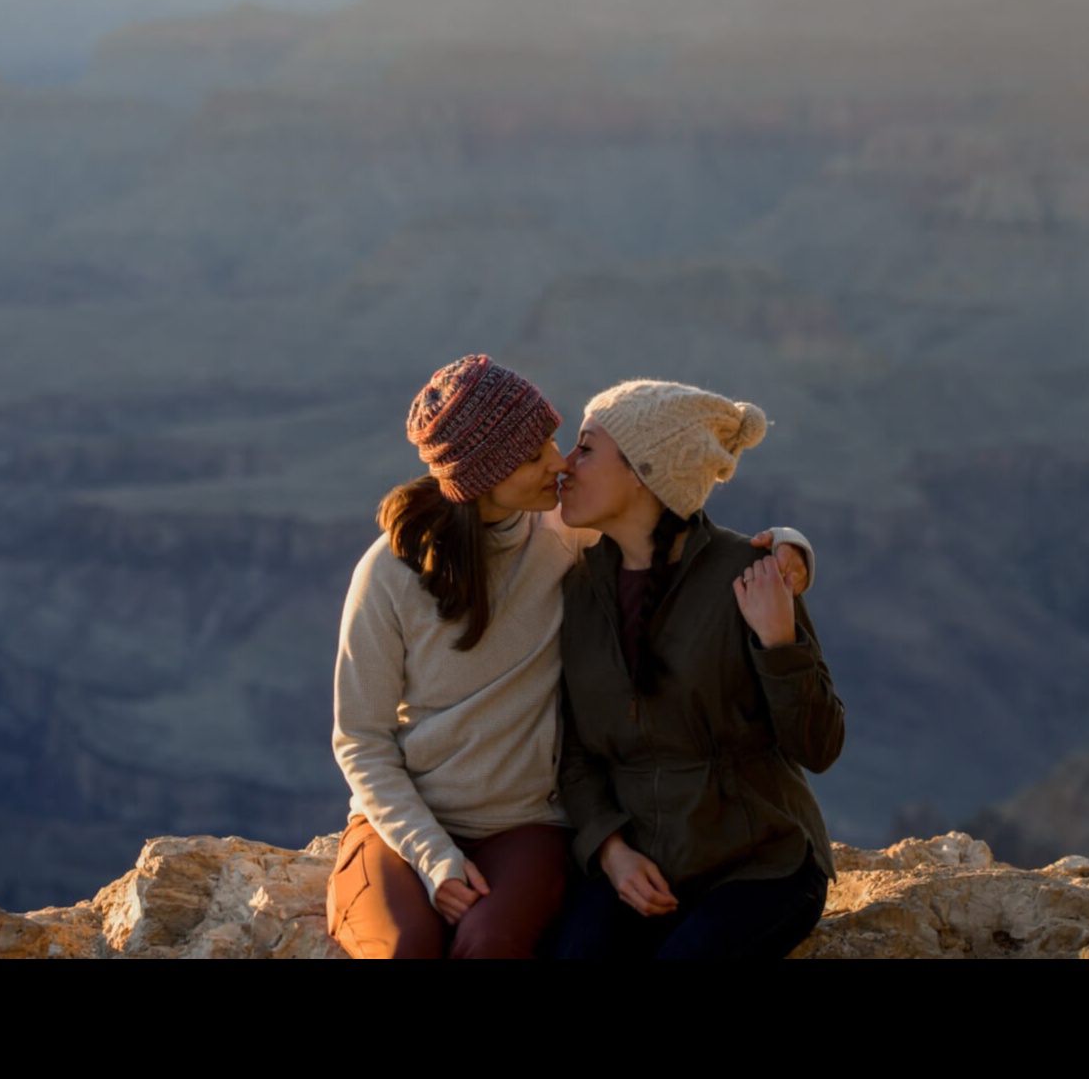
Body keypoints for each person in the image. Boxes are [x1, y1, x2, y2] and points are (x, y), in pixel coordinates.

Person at [328, 355, 814, 959]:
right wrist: (435, 858)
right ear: (484, 475)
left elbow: (671, 522)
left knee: (491, 946)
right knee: (403, 949)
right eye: (534, 457)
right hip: (401, 830)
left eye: (555, 442)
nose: (558, 463)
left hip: (524, 826)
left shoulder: (564, 532)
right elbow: (360, 740)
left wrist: (790, 547)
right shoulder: (389, 572)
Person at [553, 378, 843, 959]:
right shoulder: (576, 585)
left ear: (644, 471)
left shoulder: (752, 575)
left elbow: (820, 746)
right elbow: (576, 753)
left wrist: (779, 642)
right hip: (641, 867)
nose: (565, 465)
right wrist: (610, 849)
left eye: (585, 449)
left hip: (762, 866)